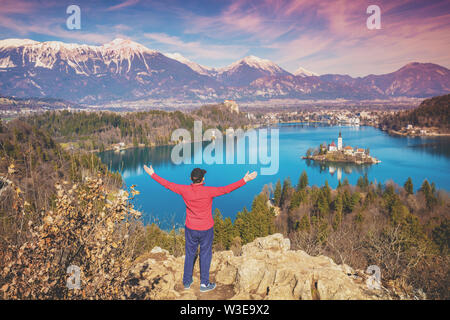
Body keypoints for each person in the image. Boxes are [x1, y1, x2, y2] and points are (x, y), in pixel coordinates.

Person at [143, 164, 257, 292]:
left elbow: (168, 184)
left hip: (191, 228)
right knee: (205, 254)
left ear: (192, 179)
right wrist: (245, 180)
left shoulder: (184, 190)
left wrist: (152, 174)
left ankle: (186, 281)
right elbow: (226, 189)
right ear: (202, 179)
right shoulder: (209, 191)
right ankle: (204, 284)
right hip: (206, 229)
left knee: (190, 253)